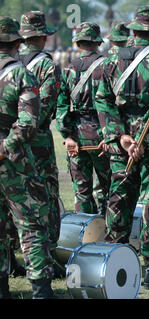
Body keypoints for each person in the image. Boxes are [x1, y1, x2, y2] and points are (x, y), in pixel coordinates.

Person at [95, 5, 149, 289]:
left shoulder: (110, 61)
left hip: (122, 144)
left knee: (119, 197)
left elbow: (102, 101)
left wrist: (120, 137)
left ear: (134, 30)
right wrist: (141, 141)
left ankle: (113, 262)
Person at [0, 16, 56, 299]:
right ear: (17, 43)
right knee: (32, 225)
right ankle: (41, 290)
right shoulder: (20, 74)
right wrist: (6, 145)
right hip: (15, 161)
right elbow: (28, 122)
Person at [18, 10, 62, 262]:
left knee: (13, 197)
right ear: (43, 37)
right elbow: (45, 107)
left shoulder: (8, 63)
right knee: (45, 196)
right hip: (38, 143)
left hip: (9, 140)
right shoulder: (47, 65)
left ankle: (13, 256)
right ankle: (47, 255)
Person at [56, 22, 111, 215]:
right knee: (110, 189)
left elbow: (61, 106)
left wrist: (68, 136)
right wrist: (111, 134)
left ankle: (85, 234)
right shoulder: (108, 66)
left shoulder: (69, 69)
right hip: (103, 134)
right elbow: (115, 104)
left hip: (77, 135)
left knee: (82, 192)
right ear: (98, 43)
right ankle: (108, 232)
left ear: (78, 44)